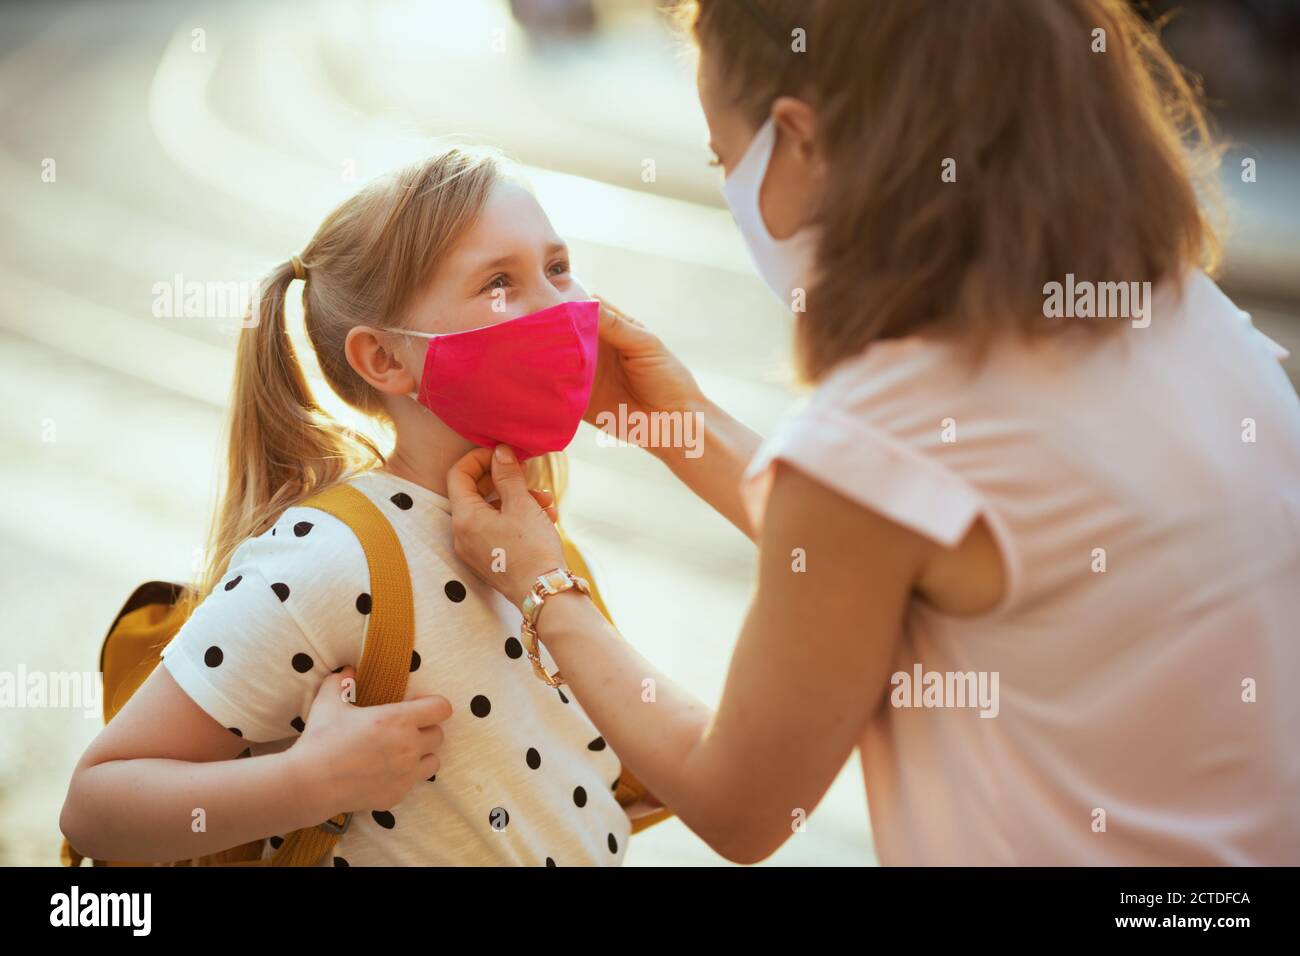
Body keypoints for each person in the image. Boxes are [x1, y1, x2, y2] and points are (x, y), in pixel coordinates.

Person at [444, 0, 1300, 864]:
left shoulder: (892, 420)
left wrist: (545, 585)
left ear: (801, 140)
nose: (730, 185)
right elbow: (900, 562)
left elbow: (741, 806)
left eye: (726, 156)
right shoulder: (1202, 326)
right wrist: (679, 424)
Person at [60, 149, 637, 866]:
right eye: (499, 284)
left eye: (557, 267)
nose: (559, 304)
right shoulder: (329, 561)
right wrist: (306, 782)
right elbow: (96, 806)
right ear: (387, 360)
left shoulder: (536, 550)